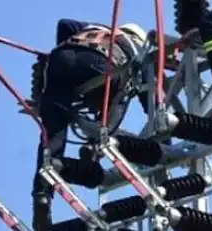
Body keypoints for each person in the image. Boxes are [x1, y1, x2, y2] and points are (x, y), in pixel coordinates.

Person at [31, 18, 149, 231]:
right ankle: (96, 144)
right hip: (100, 62)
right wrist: (158, 117)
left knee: (53, 133)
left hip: (61, 60)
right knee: (123, 90)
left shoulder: (96, 28)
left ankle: (42, 197)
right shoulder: (137, 48)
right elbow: (148, 94)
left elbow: (64, 24)